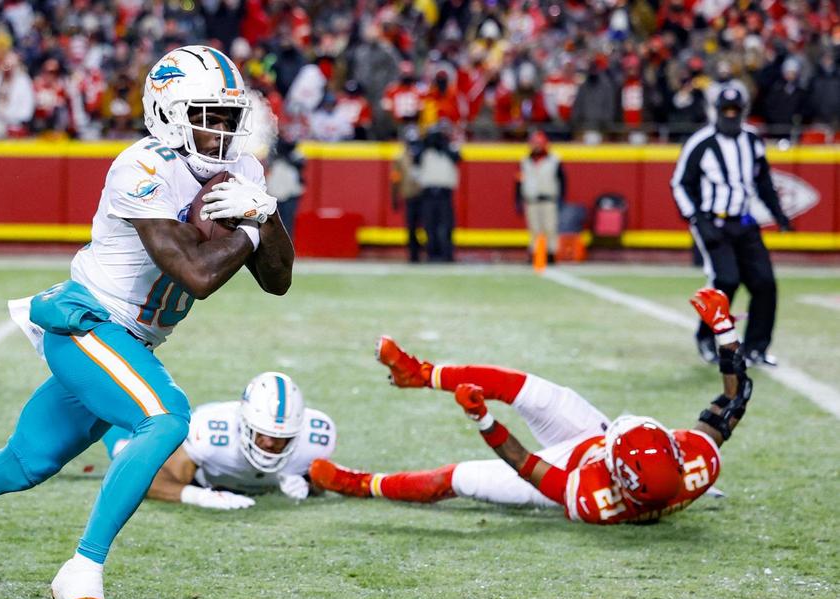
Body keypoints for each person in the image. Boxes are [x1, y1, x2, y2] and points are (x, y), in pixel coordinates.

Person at [0, 45, 294, 599]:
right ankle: (82, 568)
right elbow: (197, 274)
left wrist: (268, 217)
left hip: (132, 340)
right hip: (85, 322)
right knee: (165, 420)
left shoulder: (244, 171)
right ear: (166, 110)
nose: (219, 128)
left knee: (23, 464)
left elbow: (278, 281)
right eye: (206, 114)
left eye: (226, 115)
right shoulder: (141, 166)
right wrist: (250, 227)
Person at [313, 288, 749, 524]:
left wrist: (483, 419)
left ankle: (356, 483)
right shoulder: (698, 462)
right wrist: (725, 332)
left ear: (617, 477)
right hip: (590, 442)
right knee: (531, 389)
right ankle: (419, 373)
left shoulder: (592, 500)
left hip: (562, 471)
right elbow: (732, 401)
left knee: (459, 478)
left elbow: (524, 464)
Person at [671, 87, 792, 367]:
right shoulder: (701, 142)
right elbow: (679, 183)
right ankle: (705, 336)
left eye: (734, 111)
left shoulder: (751, 140)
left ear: (742, 111)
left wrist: (778, 214)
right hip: (713, 222)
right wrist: (698, 219)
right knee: (725, 281)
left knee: (764, 283)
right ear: (716, 111)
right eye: (725, 110)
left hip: (745, 221)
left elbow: (762, 180)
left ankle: (756, 348)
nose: (730, 116)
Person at [102, 372, 336, 508]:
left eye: (280, 437)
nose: (269, 443)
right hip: (193, 435)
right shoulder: (212, 436)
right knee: (125, 451)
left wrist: (311, 485)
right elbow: (149, 480)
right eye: (262, 433)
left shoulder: (316, 438)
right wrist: (200, 496)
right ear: (244, 424)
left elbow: (328, 480)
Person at [516, 131, 565, 263]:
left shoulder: (554, 160)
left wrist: (561, 199)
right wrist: (518, 200)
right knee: (534, 229)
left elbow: (562, 181)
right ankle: (534, 254)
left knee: (550, 227)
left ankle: (551, 254)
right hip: (532, 200)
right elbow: (519, 181)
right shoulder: (525, 161)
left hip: (549, 199)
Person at [414, 125, 459, 262]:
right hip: (428, 193)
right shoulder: (424, 150)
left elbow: (457, 157)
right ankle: (431, 254)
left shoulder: (448, 148)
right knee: (429, 226)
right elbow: (416, 159)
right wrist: (426, 143)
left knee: (446, 226)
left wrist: (443, 145)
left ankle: (447, 254)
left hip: (444, 193)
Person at [390, 126, 423, 262]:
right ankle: (413, 255)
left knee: (427, 227)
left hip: (424, 196)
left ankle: (430, 253)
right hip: (409, 195)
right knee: (411, 227)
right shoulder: (400, 157)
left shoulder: (424, 154)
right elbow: (395, 178)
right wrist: (394, 197)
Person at [265, 139, 305, 238]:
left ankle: (287, 249)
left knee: (287, 223)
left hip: (290, 194)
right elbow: (268, 163)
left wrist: (287, 152)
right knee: (274, 224)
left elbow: (301, 164)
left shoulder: (295, 154)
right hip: (274, 195)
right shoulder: (273, 155)